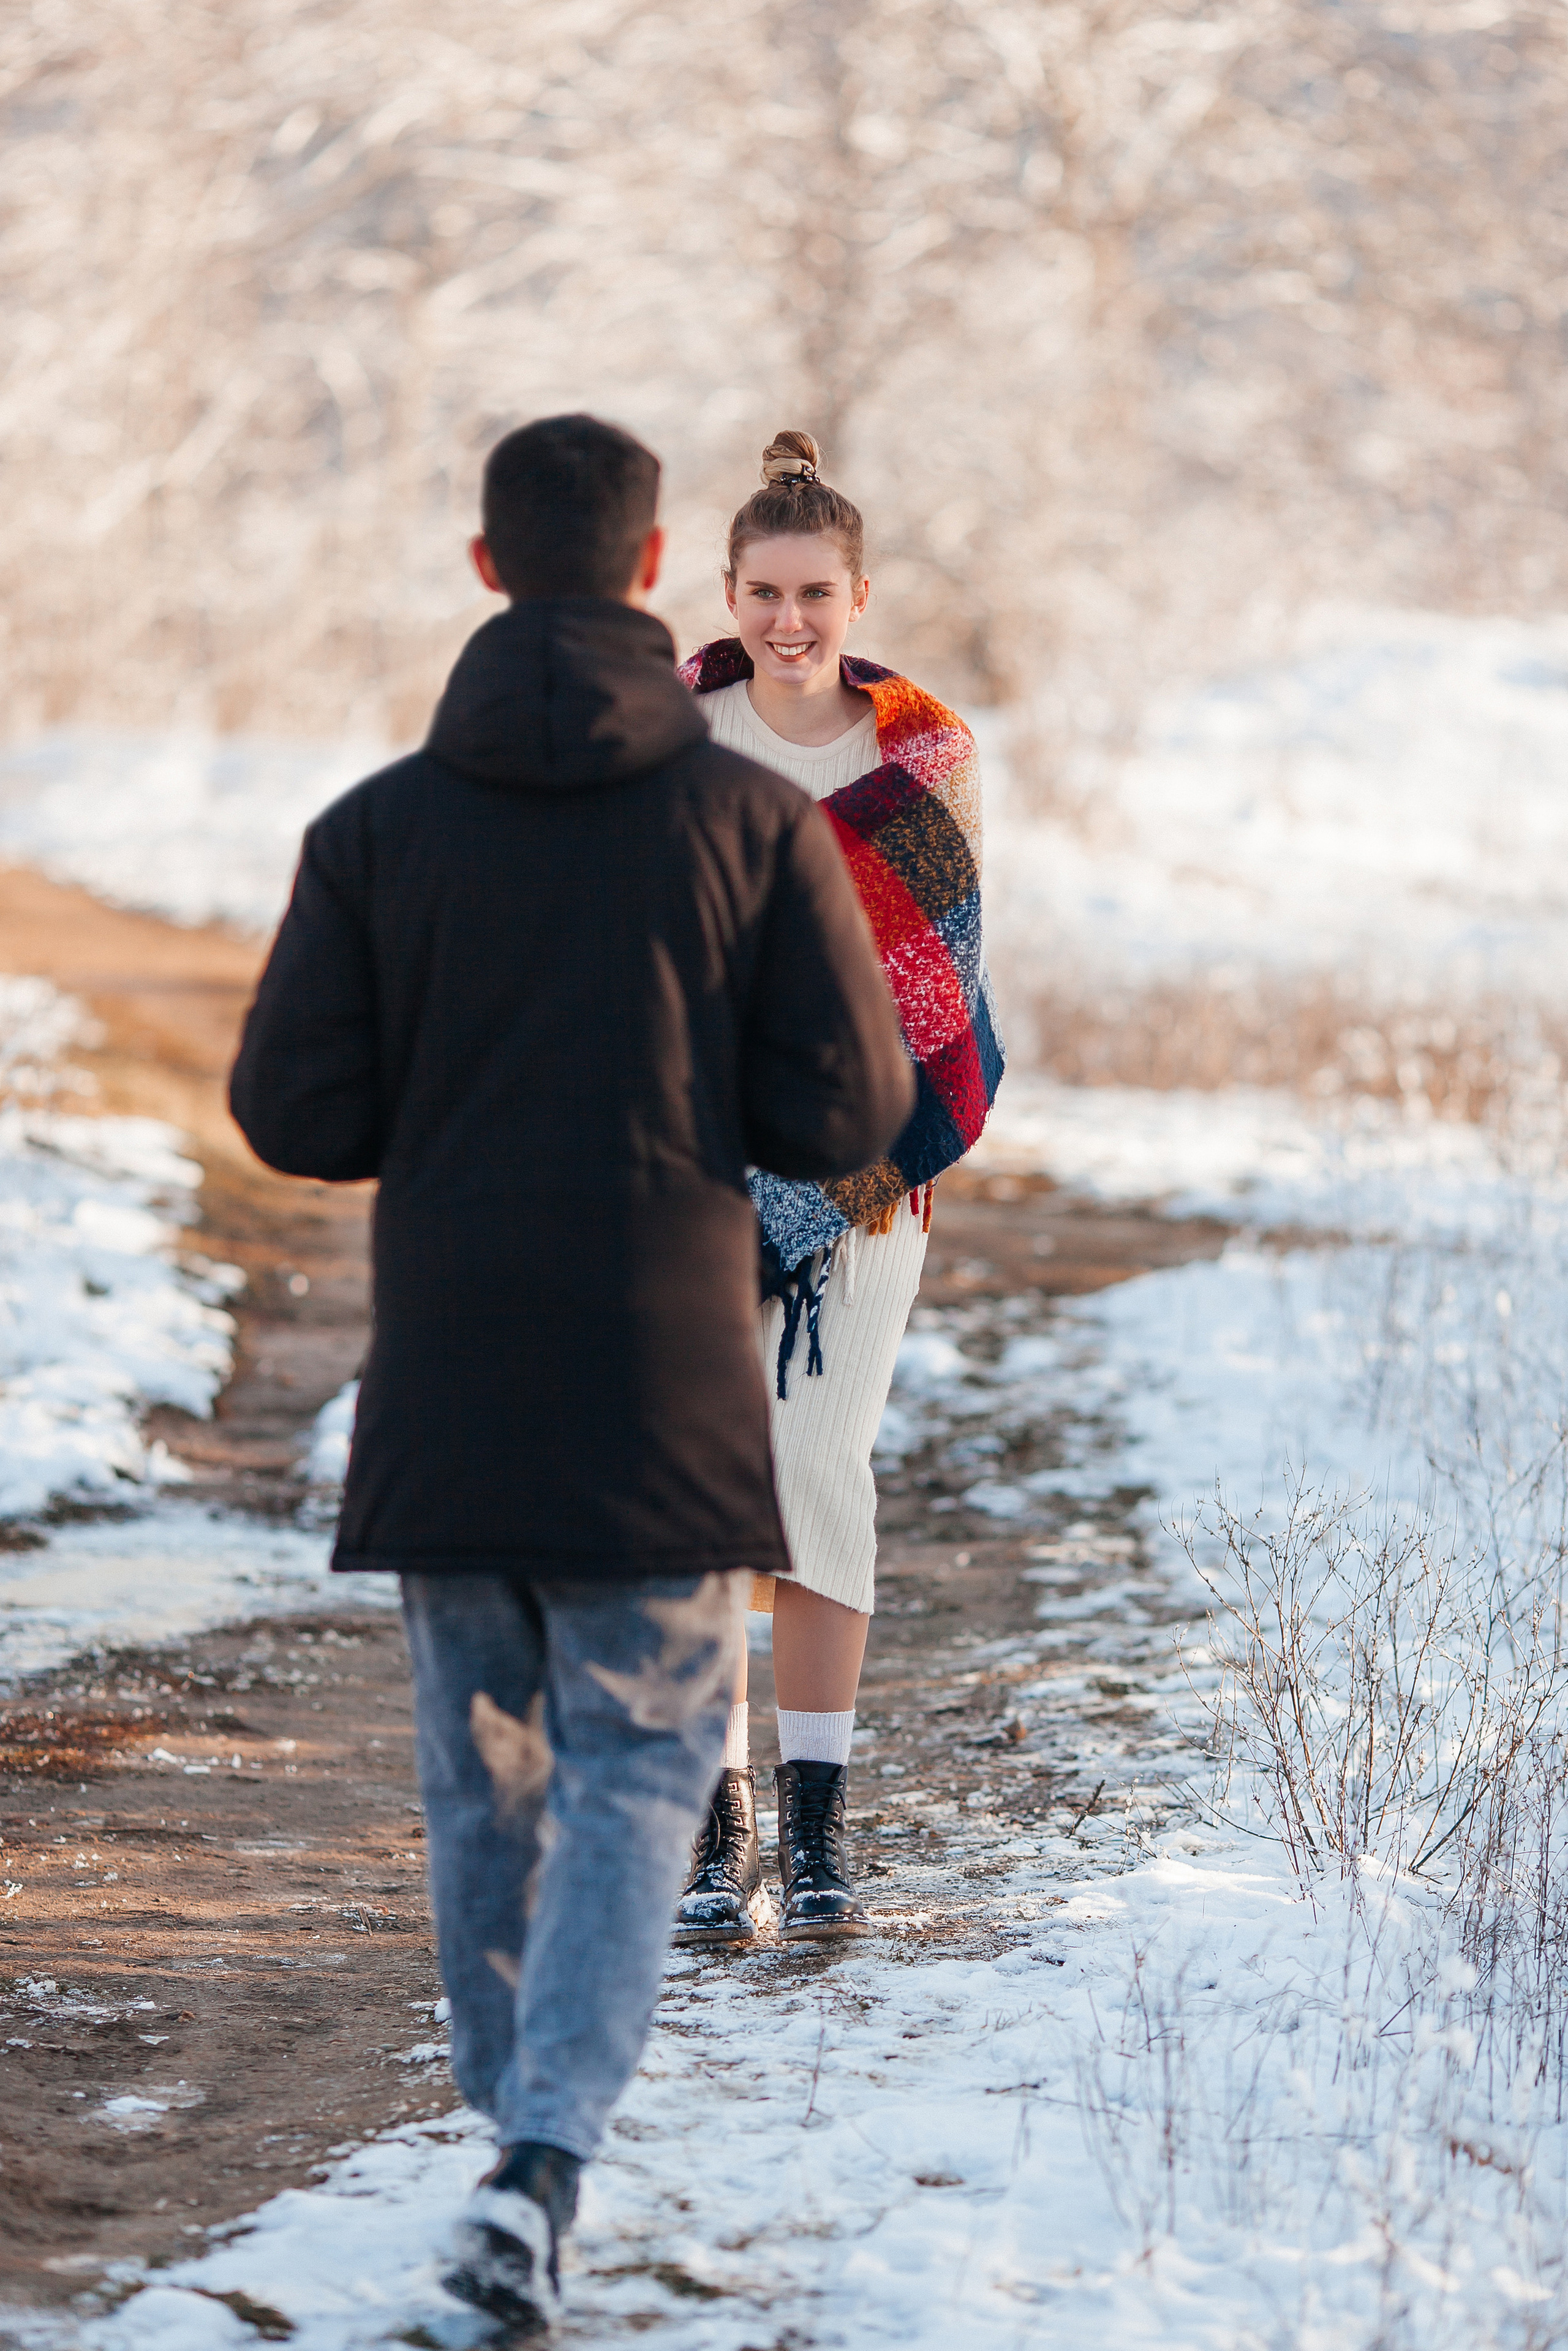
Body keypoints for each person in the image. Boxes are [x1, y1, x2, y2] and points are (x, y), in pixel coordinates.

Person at [227, 413, 913, 2338]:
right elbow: (854, 1102)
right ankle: (542, 2160)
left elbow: (294, 1107)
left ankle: (509, 2127)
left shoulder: (373, 832)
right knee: (630, 1771)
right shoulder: (750, 825)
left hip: (449, 1376)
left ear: (482, 568)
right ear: (656, 568)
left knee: (482, 1775)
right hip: (665, 1387)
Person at [671, 430, 1003, 1949]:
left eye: (814, 592)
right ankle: (707, 1829)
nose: (787, 620)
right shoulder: (666, 745)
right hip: (680, 1172)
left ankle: (814, 1832)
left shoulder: (921, 759)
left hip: (864, 1186)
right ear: (724, 591)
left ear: (856, 593)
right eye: (762, 592)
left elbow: (937, 997)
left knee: (814, 1477)